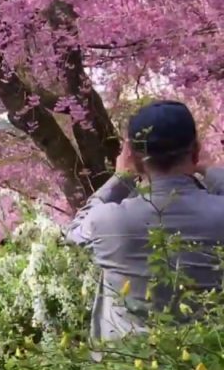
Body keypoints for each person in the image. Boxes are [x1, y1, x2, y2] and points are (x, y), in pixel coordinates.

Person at [66, 100, 224, 345]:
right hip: (213, 364)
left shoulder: (109, 221)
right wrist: (208, 169)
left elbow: (74, 233)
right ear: (195, 152)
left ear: (134, 159)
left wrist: (120, 179)